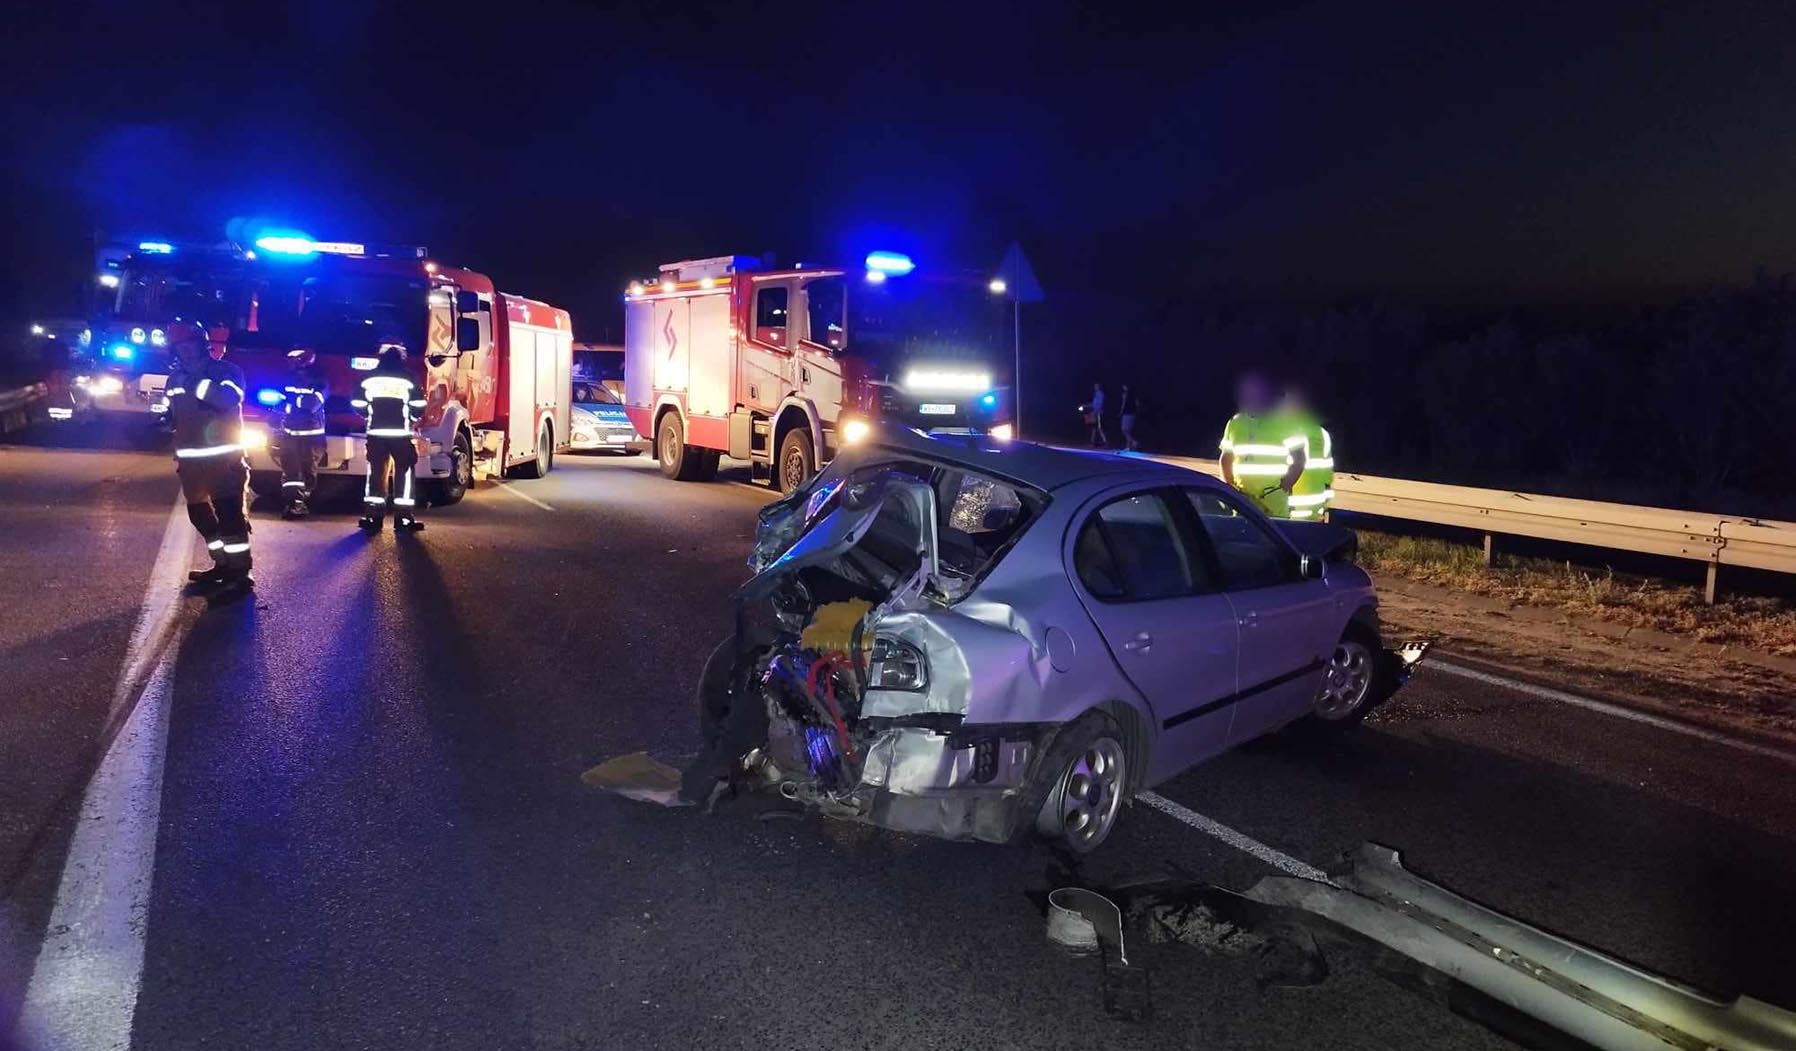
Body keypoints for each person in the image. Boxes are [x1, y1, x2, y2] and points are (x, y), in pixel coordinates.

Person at [165, 320, 254, 601]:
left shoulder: (227, 371)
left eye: (189, 344)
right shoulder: (174, 378)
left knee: (229, 516)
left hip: (223, 459)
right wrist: (166, 420)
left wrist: (194, 383)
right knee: (199, 515)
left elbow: (227, 399)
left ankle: (240, 574)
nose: (185, 350)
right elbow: (174, 412)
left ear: (202, 344)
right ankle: (222, 564)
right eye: (180, 346)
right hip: (190, 461)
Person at [354, 344, 427, 533]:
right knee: (405, 473)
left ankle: (373, 516)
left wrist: (368, 416)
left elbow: (357, 402)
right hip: (400, 434)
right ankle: (403, 518)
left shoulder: (369, 377)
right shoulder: (409, 377)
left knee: (376, 473)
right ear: (401, 360)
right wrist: (411, 419)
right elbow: (418, 404)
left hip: (376, 433)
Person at [1218, 371, 1305, 519]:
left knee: (1275, 533)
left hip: (1274, 504)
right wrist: (1230, 489)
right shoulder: (1235, 423)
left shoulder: (1286, 423)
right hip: (1243, 501)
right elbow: (1225, 458)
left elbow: (1299, 459)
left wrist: (1281, 489)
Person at [275, 348, 330, 519]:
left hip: (310, 434)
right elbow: (278, 399)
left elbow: (311, 404)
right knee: (290, 471)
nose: (290, 361)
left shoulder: (318, 379)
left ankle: (299, 502)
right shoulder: (288, 377)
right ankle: (294, 503)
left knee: (307, 471)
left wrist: (289, 403)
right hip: (289, 433)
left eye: (294, 358)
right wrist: (276, 411)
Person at [1278, 387, 1335, 520]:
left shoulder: (1282, 431)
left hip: (1288, 513)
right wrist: (1323, 509)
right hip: (1314, 513)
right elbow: (1327, 478)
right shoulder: (1322, 434)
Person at [1083, 382, 1108, 446]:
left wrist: (1095, 411)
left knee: (1099, 428)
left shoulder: (1100, 393)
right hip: (1095, 412)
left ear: (1099, 387)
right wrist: (1086, 405)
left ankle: (1105, 441)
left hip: (1098, 413)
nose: (1095, 387)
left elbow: (1100, 404)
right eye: (1095, 386)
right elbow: (1094, 404)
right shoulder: (1096, 393)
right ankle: (1092, 442)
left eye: (1097, 386)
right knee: (1094, 428)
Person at [1118, 383, 1140, 451]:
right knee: (1128, 430)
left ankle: (1133, 442)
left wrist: (1121, 412)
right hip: (1132, 413)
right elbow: (1137, 403)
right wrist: (1137, 411)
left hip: (1127, 413)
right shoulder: (1134, 394)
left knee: (1124, 429)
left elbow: (1123, 404)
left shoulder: (1125, 394)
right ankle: (1128, 446)